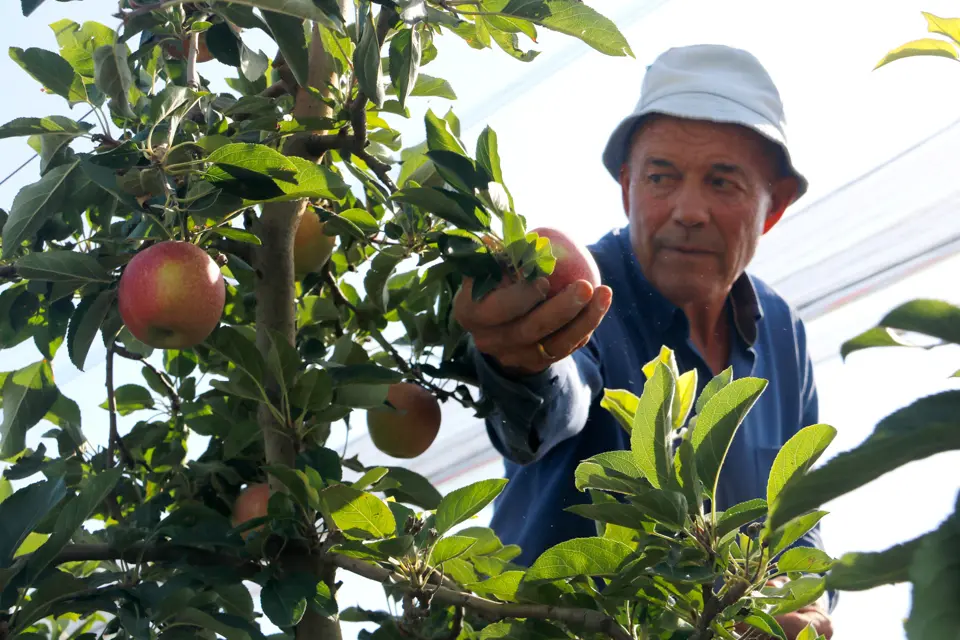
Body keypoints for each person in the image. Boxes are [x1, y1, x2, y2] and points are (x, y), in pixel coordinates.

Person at [453, 44, 835, 638]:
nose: (687, 210)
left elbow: (798, 521)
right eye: (660, 177)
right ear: (626, 184)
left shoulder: (785, 336)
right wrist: (520, 362)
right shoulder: (583, 297)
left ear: (774, 206)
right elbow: (560, 394)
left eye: (722, 181)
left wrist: (804, 601)